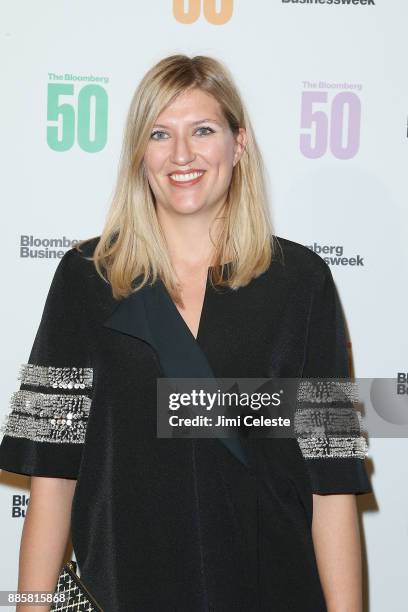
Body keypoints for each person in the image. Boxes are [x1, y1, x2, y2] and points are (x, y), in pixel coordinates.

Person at [0, 54, 372, 612]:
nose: (181, 155)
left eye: (202, 130)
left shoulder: (302, 283)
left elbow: (332, 478)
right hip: (121, 593)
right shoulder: (85, 278)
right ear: (139, 154)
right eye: (159, 134)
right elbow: (52, 473)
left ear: (238, 143)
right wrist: (29, 607)